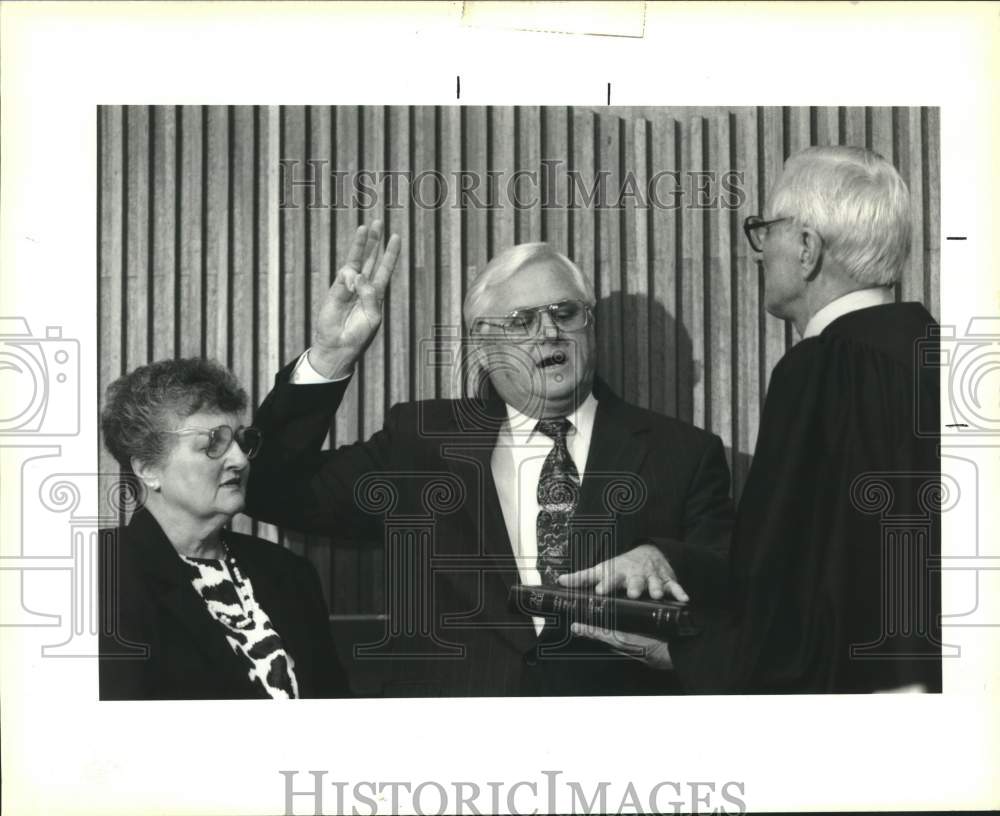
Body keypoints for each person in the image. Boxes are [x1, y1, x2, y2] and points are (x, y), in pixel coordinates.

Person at [245, 222, 734, 696]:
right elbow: (266, 487)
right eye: (521, 321)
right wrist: (332, 356)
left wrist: (669, 560)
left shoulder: (684, 454)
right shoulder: (419, 444)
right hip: (453, 752)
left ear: (591, 326)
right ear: (481, 347)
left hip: (617, 749)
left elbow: (733, 603)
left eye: (566, 312)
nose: (550, 333)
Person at [565, 145, 942, 693]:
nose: (759, 251)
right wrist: (667, 556)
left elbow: (782, 586)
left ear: (808, 248)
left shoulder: (821, 368)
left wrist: (688, 654)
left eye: (766, 230)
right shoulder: (942, 354)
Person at [98, 358, 348, 700]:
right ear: (147, 468)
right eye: (213, 444)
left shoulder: (290, 573)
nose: (241, 460)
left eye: (241, 442)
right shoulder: (103, 575)